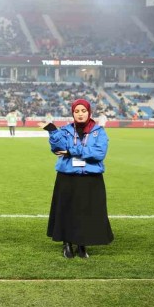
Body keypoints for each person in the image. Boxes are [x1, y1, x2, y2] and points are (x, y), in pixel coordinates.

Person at [40, 99, 113, 258]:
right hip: (68, 176)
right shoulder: (65, 130)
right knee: (66, 211)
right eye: (77, 111)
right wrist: (52, 131)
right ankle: (67, 243)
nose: (80, 114)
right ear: (72, 113)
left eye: (83, 111)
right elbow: (58, 149)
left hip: (90, 178)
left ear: (89, 112)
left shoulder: (99, 131)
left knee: (86, 212)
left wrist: (72, 151)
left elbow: (99, 153)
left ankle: (82, 244)